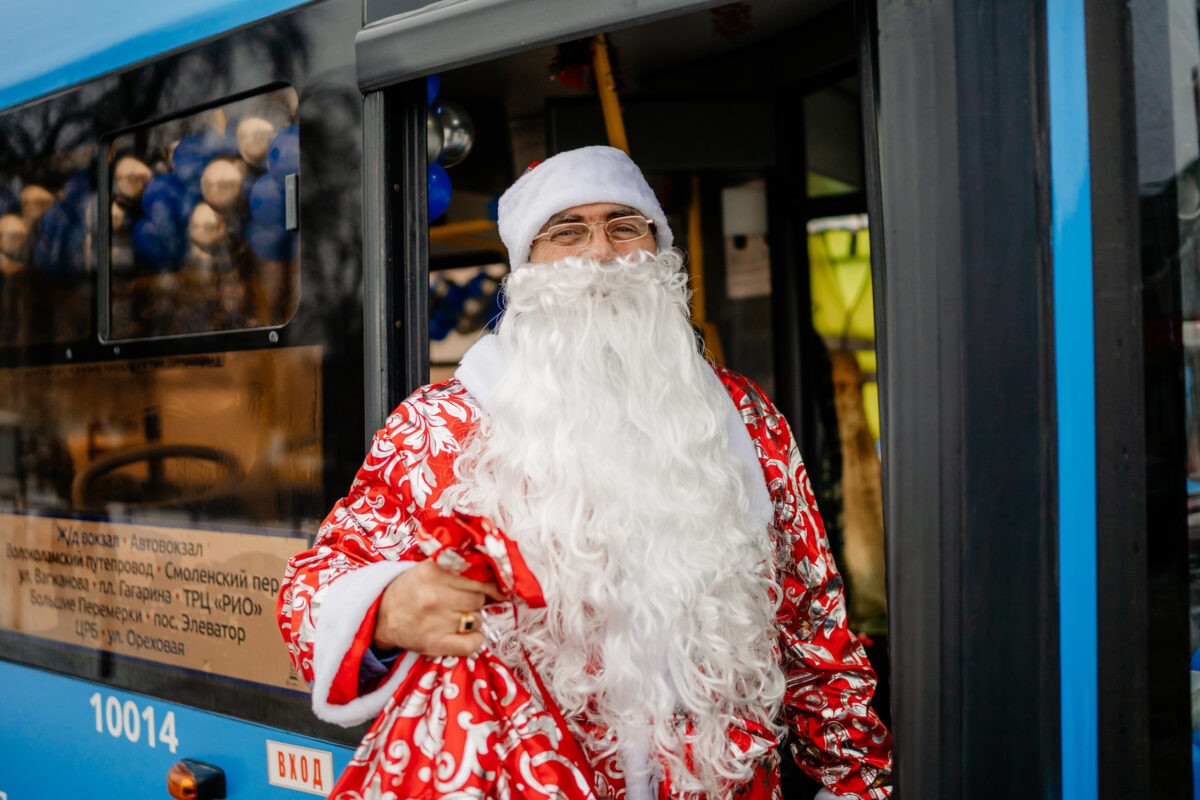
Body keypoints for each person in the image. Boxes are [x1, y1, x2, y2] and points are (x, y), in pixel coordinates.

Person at [277, 145, 893, 800]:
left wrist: (851, 784)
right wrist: (385, 610)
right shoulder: (437, 429)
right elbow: (309, 590)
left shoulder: (746, 420)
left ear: (658, 254)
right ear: (528, 267)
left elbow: (813, 623)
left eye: (625, 226)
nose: (602, 253)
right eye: (567, 231)